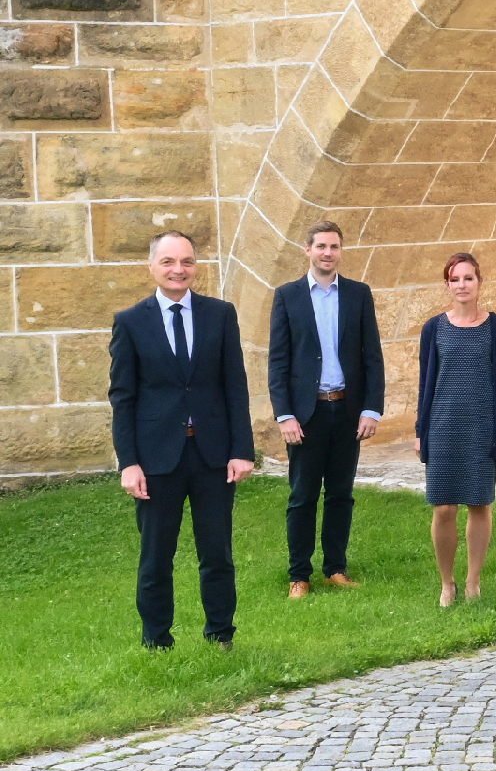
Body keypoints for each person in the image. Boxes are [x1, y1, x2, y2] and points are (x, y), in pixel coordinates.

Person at [108, 230, 254, 650]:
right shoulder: (131, 322)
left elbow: (235, 386)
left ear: (195, 266)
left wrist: (241, 449)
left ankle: (221, 635)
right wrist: (129, 463)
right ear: (152, 267)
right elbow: (123, 397)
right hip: (156, 461)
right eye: (169, 262)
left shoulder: (220, 314)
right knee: (156, 558)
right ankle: (157, 642)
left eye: (187, 261)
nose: (179, 270)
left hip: (212, 456)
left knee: (217, 555)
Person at [268, 220, 385, 599]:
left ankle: (335, 568)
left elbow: (373, 358)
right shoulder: (288, 296)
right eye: (321, 246)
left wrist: (371, 409)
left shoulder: (358, 294)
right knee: (302, 495)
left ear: (340, 251)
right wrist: (285, 415)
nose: (327, 253)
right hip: (307, 414)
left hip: (347, 412)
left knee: (340, 494)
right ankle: (298, 575)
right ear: (308, 250)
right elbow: (278, 362)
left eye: (334, 247)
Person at [415, 252, 496, 608]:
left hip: (483, 426)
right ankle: (448, 583)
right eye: (455, 279)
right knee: (443, 508)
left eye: (468, 278)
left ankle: (473, 581)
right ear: (448, 284)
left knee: (479, 503)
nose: (462, 285)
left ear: (479, 282)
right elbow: (425, 383)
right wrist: (420, 430)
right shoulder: (433, 328)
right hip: (442, 426)